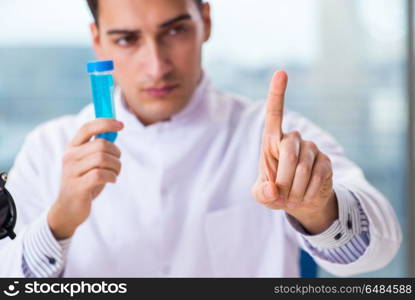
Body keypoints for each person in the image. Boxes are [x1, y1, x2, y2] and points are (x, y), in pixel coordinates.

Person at [0, 0, 401, 277]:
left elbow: (379, 248)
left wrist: (318, 209)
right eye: (127, 39)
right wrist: (59, 222)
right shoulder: (47, 149)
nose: (156, 66)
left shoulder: (275, 138)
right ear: (97, 39)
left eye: (174, 31)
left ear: (205, 21)